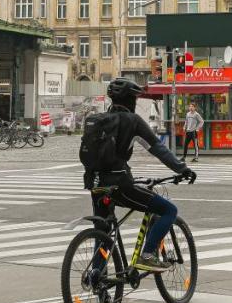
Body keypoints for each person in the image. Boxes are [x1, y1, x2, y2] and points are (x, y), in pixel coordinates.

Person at [84, 78, 196, 279]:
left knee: (103, 233)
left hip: (95, 184)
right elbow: (158, 148)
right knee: (168, 210)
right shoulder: (132, 121)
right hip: (120, 184)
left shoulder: (100, 120)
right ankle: (147, 254)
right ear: (131, 100)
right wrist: (182, 168)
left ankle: (98, 287)